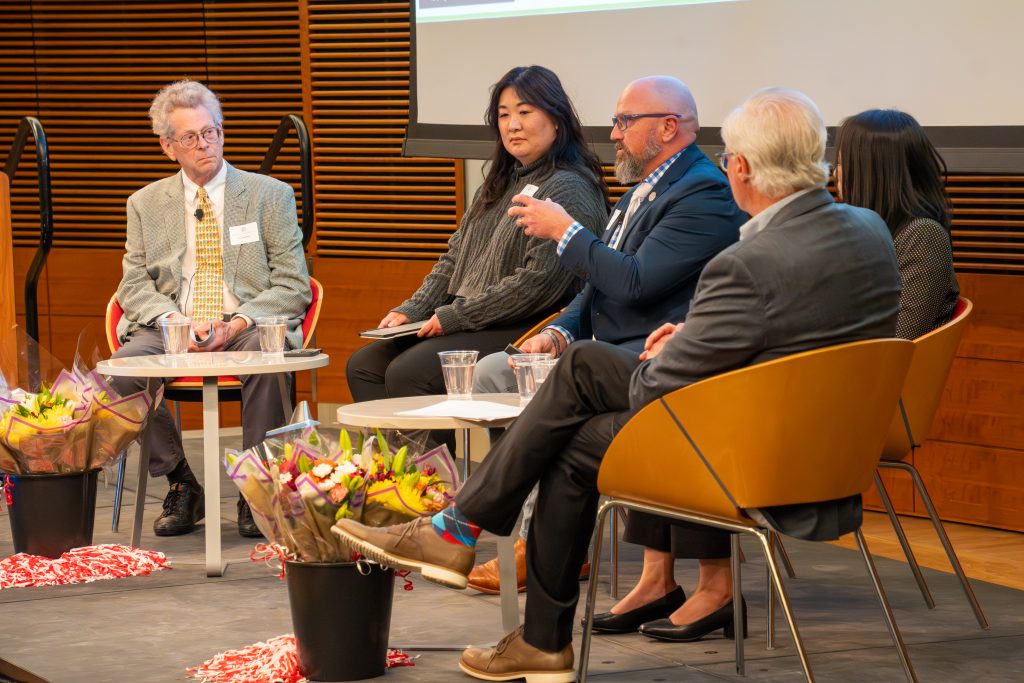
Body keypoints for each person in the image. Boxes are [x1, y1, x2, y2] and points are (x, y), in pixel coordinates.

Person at [333, 87, 901, 681]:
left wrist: (674, 346)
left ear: (741, 167)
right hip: (831, 446)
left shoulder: (748, 262)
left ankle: (474, 550)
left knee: (577, 388)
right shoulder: (867, 230)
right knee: (576, 414)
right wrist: (689, 331)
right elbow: (797, 326)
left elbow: (660, 389)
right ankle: (499, 587)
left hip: (749, 451)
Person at [601, 108, 962, 640]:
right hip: (810, 384)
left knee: (683, 400)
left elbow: (884, 343)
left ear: (872, 166)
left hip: (860, 404)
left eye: (839, 159)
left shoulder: (909, 239)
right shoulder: (856, 231)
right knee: (689, 388)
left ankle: (707, 586)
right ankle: (662, 577)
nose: (831, 171)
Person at [467, 75, 744, 594]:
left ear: (667, 127)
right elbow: (597, 287)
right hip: (600, 350)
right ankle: (515, 530)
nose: (614, 135)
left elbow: (635, 283)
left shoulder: (703, 191)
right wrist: (560, 334)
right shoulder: (644, 188)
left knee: (555, 396)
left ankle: (527, 539)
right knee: (493, 372)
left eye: (624, 121)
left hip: (651, 355)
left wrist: (565, 231)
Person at [111, 79, 311, 538]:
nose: (205, 144)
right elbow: (133, 283)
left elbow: (293, 284)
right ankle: (181, 481)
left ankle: (254, 488)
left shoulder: (269, 194)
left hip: (246, 319)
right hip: (171, 323)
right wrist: (172, 320)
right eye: (191, 137)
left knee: (268, 356)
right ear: (167, 146)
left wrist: (238, 320)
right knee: (121, 372)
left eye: (212, 132)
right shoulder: (144, 203)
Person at [345, 65, 608, 406]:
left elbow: (539, 284)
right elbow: (453, 258)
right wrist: (414, 309)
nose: (512, 125)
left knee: (406, 372)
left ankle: (436, 462)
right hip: (475, 316)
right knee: (363, 365)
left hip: (528, 322)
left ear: (556, 119)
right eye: (503, 115)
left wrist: (455, 316)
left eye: (525, 112)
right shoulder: (498, 182)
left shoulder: (569, 186)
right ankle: (404, 460)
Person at [834, 108, 959, 339]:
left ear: (871, 172)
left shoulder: (922, 235)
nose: (835, 175)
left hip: (882, 370)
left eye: (841, 164)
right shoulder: (864, 230)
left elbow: (898, 339)